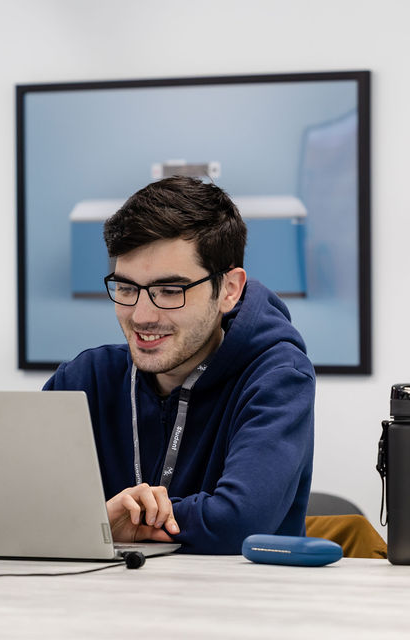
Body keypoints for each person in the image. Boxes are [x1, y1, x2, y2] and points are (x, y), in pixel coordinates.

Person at [43, 176, 314, 554]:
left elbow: (240, 520)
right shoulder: (83, 379)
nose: (141, 315)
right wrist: (100, 521)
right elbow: (22, 511)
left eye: (170, 291)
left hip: (241, 606)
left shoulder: (278, 377)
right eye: (126, 288)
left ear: (230, 290)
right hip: (97, 604)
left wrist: (114, 522)